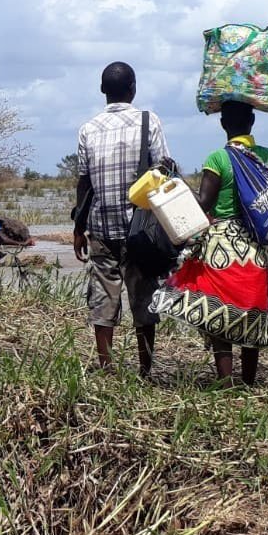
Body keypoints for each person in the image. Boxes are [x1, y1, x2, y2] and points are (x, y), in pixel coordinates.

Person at [152, 101, 268, 386]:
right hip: (255, 247)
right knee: (252, 313)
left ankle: (225, 383)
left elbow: (203, 203)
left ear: (223, 124)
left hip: (221, 245)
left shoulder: (217, 159)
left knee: (220, 312)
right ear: (253, 121)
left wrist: (176, 177)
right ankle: (248, 382)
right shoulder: (261, 156)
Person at [72, 62, 173, 376]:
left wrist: (79, 228)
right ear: (133, 89)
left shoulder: (87, 129)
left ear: (103, 91)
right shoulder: (148, 121)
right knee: (143, 300)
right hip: (140, 229)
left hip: (101, 229)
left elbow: (84, 184)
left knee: (103, 300)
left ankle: (106, 369)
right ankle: (145, 371)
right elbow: (164, 171)